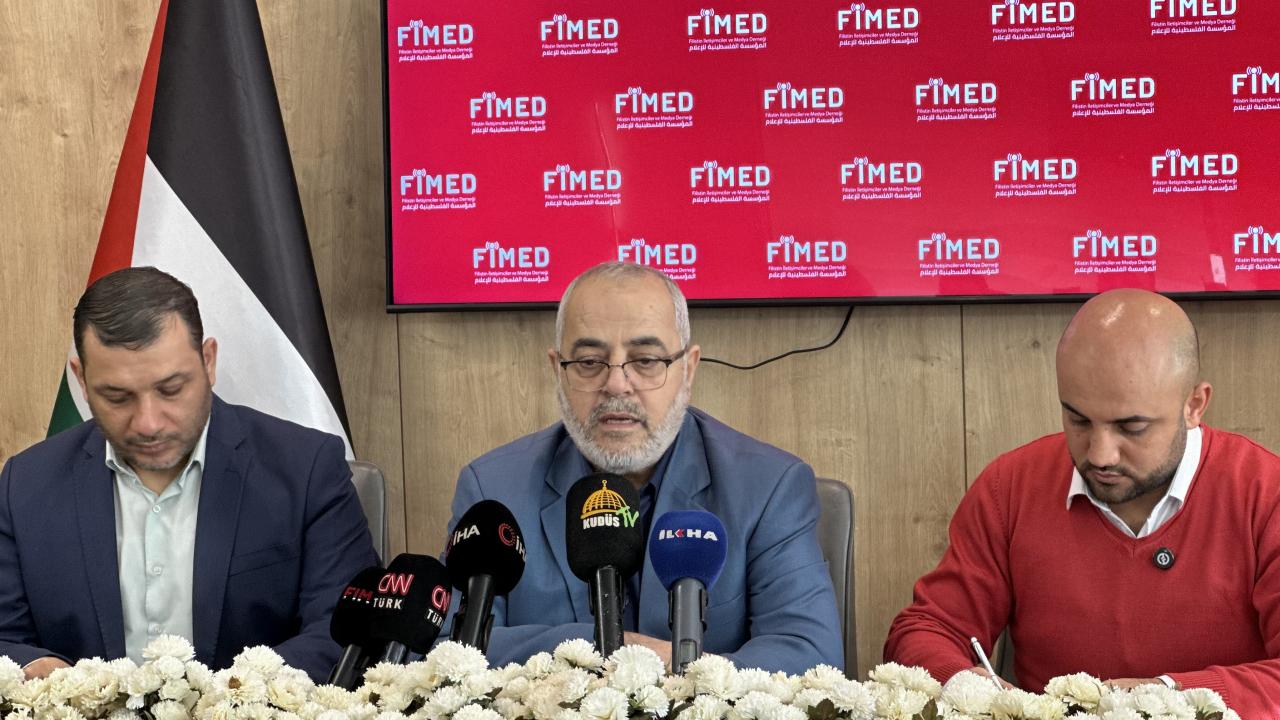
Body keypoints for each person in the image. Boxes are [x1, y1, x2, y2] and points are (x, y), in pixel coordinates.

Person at [885, 288, 1280, 716]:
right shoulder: (1011, 487)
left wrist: (1164, 699)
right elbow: (925, 629)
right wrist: (963, 683)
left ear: (1194, 405)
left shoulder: (1266, 495)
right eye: (1078, 420)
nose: (1100, 455)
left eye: (1131, 427)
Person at [443, 262, 842, 674]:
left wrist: (668, 666)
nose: (617, 385)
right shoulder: (493, 489)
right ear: (557, 370)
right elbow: (443, 649)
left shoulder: (768, 486)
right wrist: (608, 649)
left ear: (688, 369)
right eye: (589, 361)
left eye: (646, 360)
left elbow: (810, 657)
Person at [0, 267, 378, 681]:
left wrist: (236, 696)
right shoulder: (25, 485)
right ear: (82, 381)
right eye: (118, 396)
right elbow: (5, 635)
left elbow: (345, 631)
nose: (148, 423)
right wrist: (34, 668)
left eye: (171, 389)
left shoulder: (305, 469)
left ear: (208, 361)